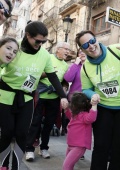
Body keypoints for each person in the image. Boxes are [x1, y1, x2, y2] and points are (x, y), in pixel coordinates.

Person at [75, 30, 120, 170]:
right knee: (101, 147)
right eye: (85, 45)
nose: (90, 46)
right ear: (82, 49)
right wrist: (92, 95)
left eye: (92, 41)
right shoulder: (85, 68)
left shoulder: (116, 50)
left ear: (96, 40)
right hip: (104, 108)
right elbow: (86, 89)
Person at [0, 21, 68, 170]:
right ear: (27, 35)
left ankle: (16, 166)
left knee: (22, 134)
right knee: (7, 133)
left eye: (43, 42)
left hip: (27, 98)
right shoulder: (13, 46)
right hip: (5, 96)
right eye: (37, 41)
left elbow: (52, 76)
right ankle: (3, 165)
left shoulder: (44, 55)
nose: (40, 44)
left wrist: (63, 96)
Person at [25, 41, 69, 161]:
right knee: (35, 122)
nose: (68, 52)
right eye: (66, 49)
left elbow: (64, 81)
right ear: (58, 49)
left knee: (49, 124)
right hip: (40, 94)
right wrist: (47, 74)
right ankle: (29, 149)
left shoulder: (65, 65)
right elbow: (34, 73)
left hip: (54, 97)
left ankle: (44, 148)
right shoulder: (47, 57)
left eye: (68, 50)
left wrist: (64, 87)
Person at [62, 92, 98, 170]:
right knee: (69, 166)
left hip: (79, 147)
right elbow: (69, 115)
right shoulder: (75, 114)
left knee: (66, 166)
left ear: (74, 105)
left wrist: (94, 106)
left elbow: (91, 118)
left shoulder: (84, 115)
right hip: (71, 145)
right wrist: (66, 109)